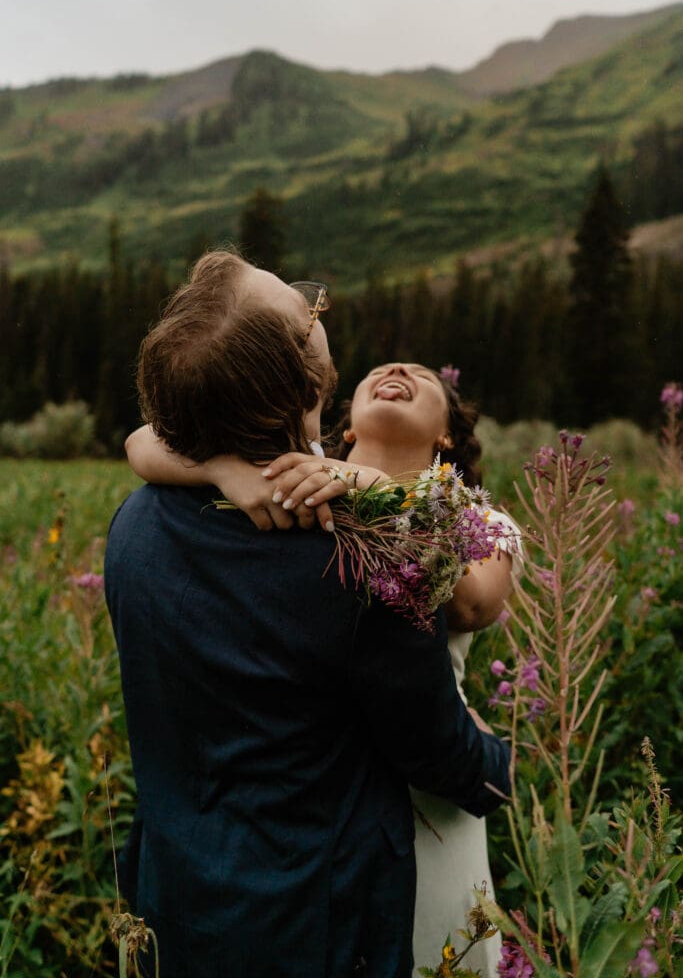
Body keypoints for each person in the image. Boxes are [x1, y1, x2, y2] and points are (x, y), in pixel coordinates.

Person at [107, 250, 511, 978]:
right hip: (311, 925)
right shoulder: (360, 565)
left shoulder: (134, 525)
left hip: (175, 900)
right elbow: (436, 753)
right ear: (311, 381)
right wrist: (499, 764)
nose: (317, 304)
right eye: (307, 312)